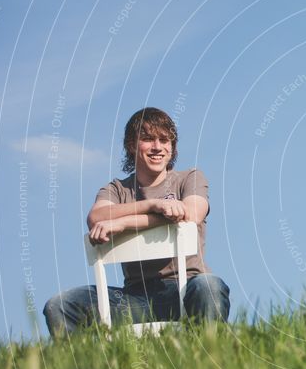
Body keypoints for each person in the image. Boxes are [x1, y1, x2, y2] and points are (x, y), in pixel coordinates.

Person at [43, 107, 230, 335]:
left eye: (164, 140)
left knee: (209, 286)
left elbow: (192, 213)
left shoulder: (188, 178)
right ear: (132, 145)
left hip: (189, 287)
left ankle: (210, 362)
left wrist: (123, 223)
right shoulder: (116, 189)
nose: (157, 147)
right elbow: (96, 218)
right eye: (148, 139)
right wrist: (153, 205)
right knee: (59, 305)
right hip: (134, 298)